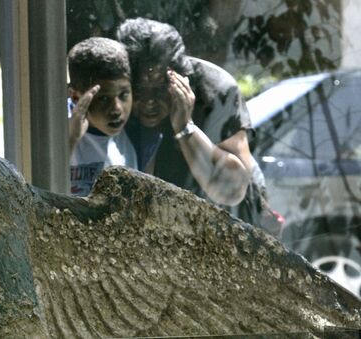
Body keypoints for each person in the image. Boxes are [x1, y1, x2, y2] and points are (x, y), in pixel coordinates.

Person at [117, 18, 280, 234]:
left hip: (230, 225)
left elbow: (232, 191)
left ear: (179, 77)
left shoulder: (214, 90)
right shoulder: (116, 92)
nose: (149, 102)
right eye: (140, 89)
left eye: (158, 90)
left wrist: (185, 127)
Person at [67, 37, 137, 196]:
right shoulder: (56, 123)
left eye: (124, 95)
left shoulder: (135, 130)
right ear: (76, 97)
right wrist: (71, 138)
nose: (117, 109)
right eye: (104, 99)